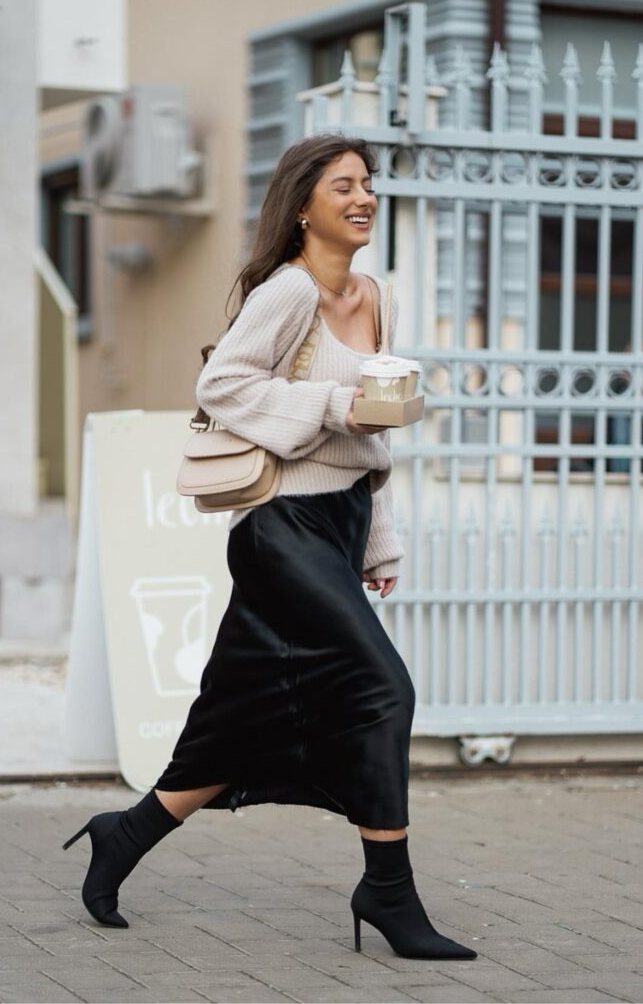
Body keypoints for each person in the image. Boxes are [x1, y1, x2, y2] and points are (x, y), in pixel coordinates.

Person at [63, 133, 477, 962]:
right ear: (301, 207)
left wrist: (379, 542)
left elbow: (372, 437)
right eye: (342, 187)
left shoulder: (375, 293)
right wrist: (332, 405)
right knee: (381, 690)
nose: (362, 198)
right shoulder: (288, 293)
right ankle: (387, 891)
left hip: (340, 522)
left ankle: (125, 832)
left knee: (244, 715)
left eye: (368, 185)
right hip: (280, 527)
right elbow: (223, 385)